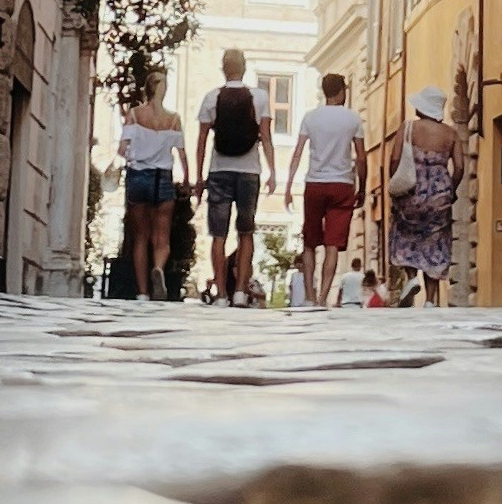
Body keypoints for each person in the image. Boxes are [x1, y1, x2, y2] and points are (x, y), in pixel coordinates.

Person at [194, 48, 275, 302]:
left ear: (223, 69)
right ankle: (240, 291)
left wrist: (199, 177)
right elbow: (266, 136)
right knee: (246, 231)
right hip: (249, 171)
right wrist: (273, 171)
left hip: (219, 170)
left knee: (218, 235)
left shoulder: (212, 97)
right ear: (245, 68)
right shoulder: (259, 97)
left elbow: (202, 140)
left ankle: (221, 293)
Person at [285, 69, 369, 309]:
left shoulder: (310, 118)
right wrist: (362, 187)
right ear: (342, 92)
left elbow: (298, 152)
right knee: (333, 244)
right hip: (342, 184)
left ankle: (309, 296)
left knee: (310, 242)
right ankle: (323, 297)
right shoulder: (353, 119)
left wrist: (289, 185)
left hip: (315, 183)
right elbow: (361, 157)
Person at [385, 86, 464, 305]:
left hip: (411, 190)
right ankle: (430, 299)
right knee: (435, 241)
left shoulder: (408, 127)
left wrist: (395, 184)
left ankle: (411, 277)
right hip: (439, 193)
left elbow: (395, 159)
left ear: (421, 108)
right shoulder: (451, 134)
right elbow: (459, 167)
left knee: (405, 232)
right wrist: (450, 190)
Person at [115, 84, 185, 300]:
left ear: (146, 90)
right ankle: (158, 267)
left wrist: (135, 157)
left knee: (140, 237)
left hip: (138, 177)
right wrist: (188, 178)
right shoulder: (173, 119)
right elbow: (181, 152)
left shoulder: (134, 115)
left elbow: (122, 149)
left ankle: (143, 292)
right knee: (161, 237)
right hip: (162, 177)